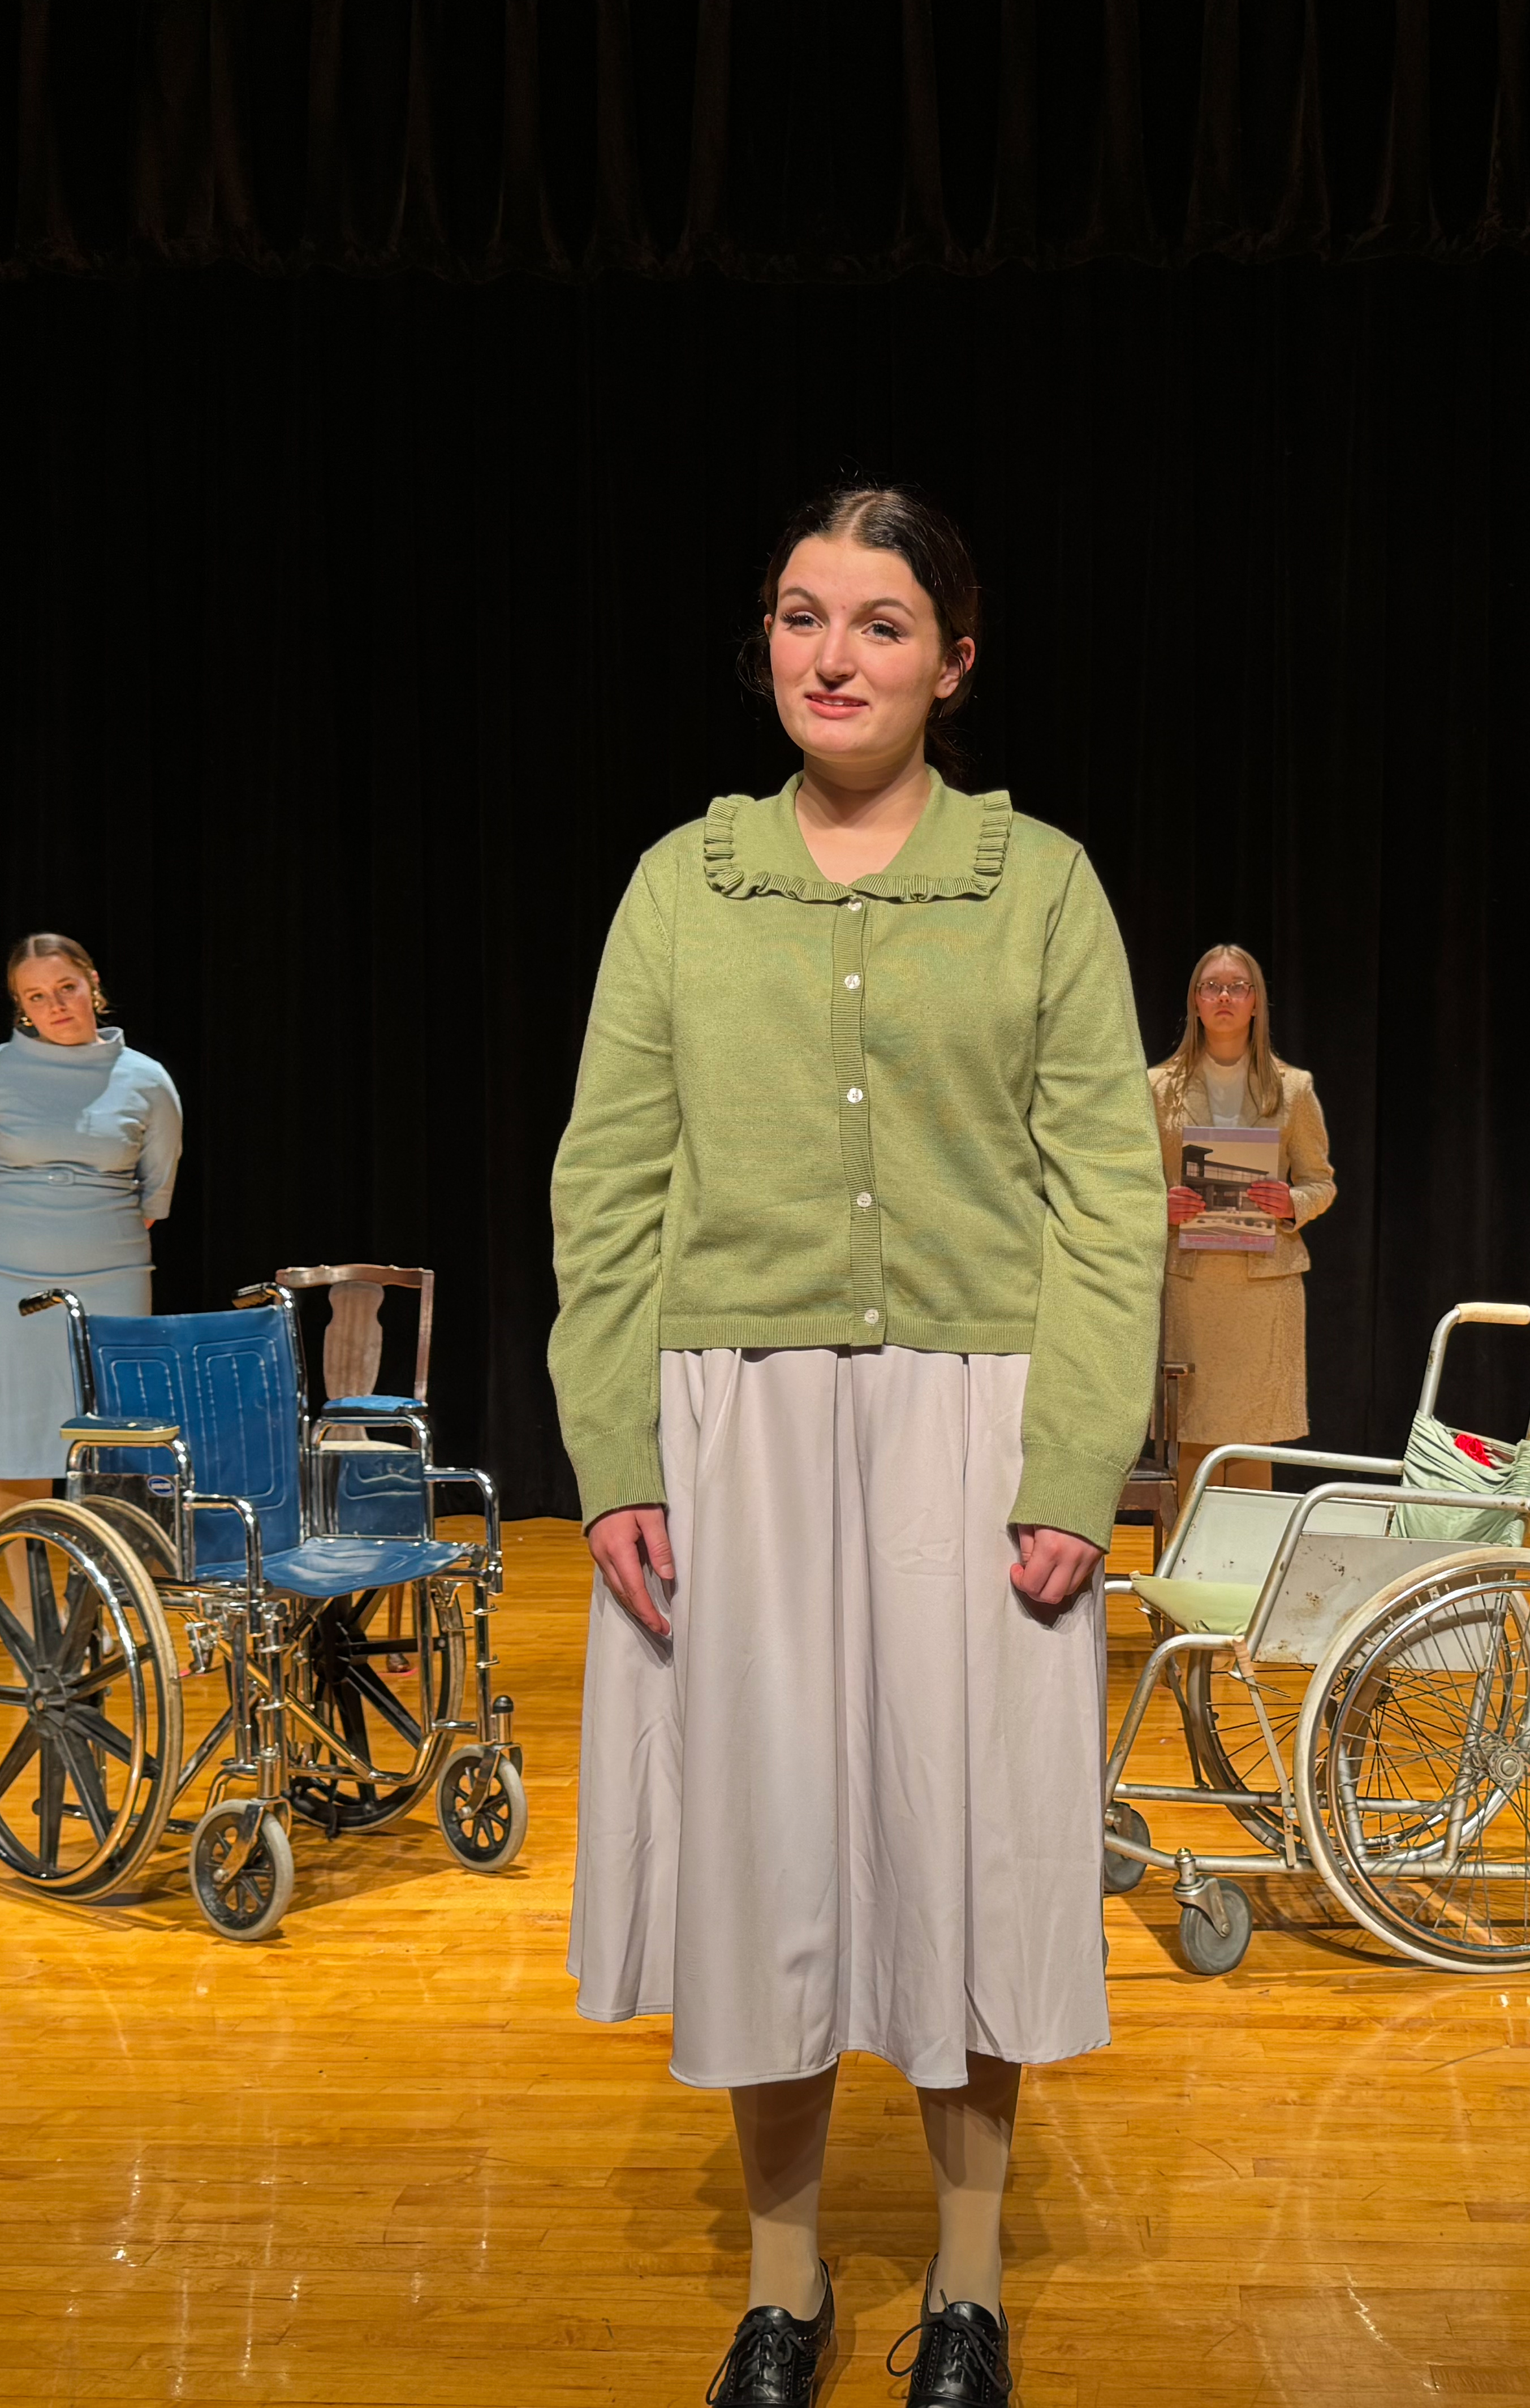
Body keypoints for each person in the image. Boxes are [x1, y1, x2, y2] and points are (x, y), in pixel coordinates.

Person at [549, 484, 1165, 2408]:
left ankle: (969, 2281)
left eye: (882, 623)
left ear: (952, 661)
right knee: (767, 1852)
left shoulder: (1039, 882)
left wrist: (1076, 1466)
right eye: (805, 617)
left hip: (975, 1426)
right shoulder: (682, 882)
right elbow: (609, 1185)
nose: (835, 654)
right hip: (732, 1423)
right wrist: (618, 1452)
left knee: (969, 1854)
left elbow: (1108, 1196)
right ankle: (786, 2280)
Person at [0, 935, 182, 1518]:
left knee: (113, 1439)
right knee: (19, 1444)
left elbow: (157, 1189)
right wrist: (21, 1252)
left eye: (66, 988)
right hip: (11, 1286)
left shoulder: (147, 1080)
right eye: (37, 996)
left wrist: (90, 1239)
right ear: (23, 1006)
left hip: (115, 1277)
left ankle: (101, 1598)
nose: (56, 1005)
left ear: (93, 985)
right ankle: (29, 1608)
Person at [1148, 944, 1336, 1518]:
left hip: (1263, 1287)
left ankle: (1245, 1582)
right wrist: (1161, 1207)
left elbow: (1321, 1184)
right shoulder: (1158, 1088)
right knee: (1193, 1431)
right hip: (1192, 1282)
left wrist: (1290, 1203)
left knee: (1251, 1437)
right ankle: (1186, 1574)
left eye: (1237, 986)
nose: (1224, 997)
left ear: (1256, 1003)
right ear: (1195, 1003)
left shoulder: (1293, 1088)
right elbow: (1128, 1184)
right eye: (1211, 987)